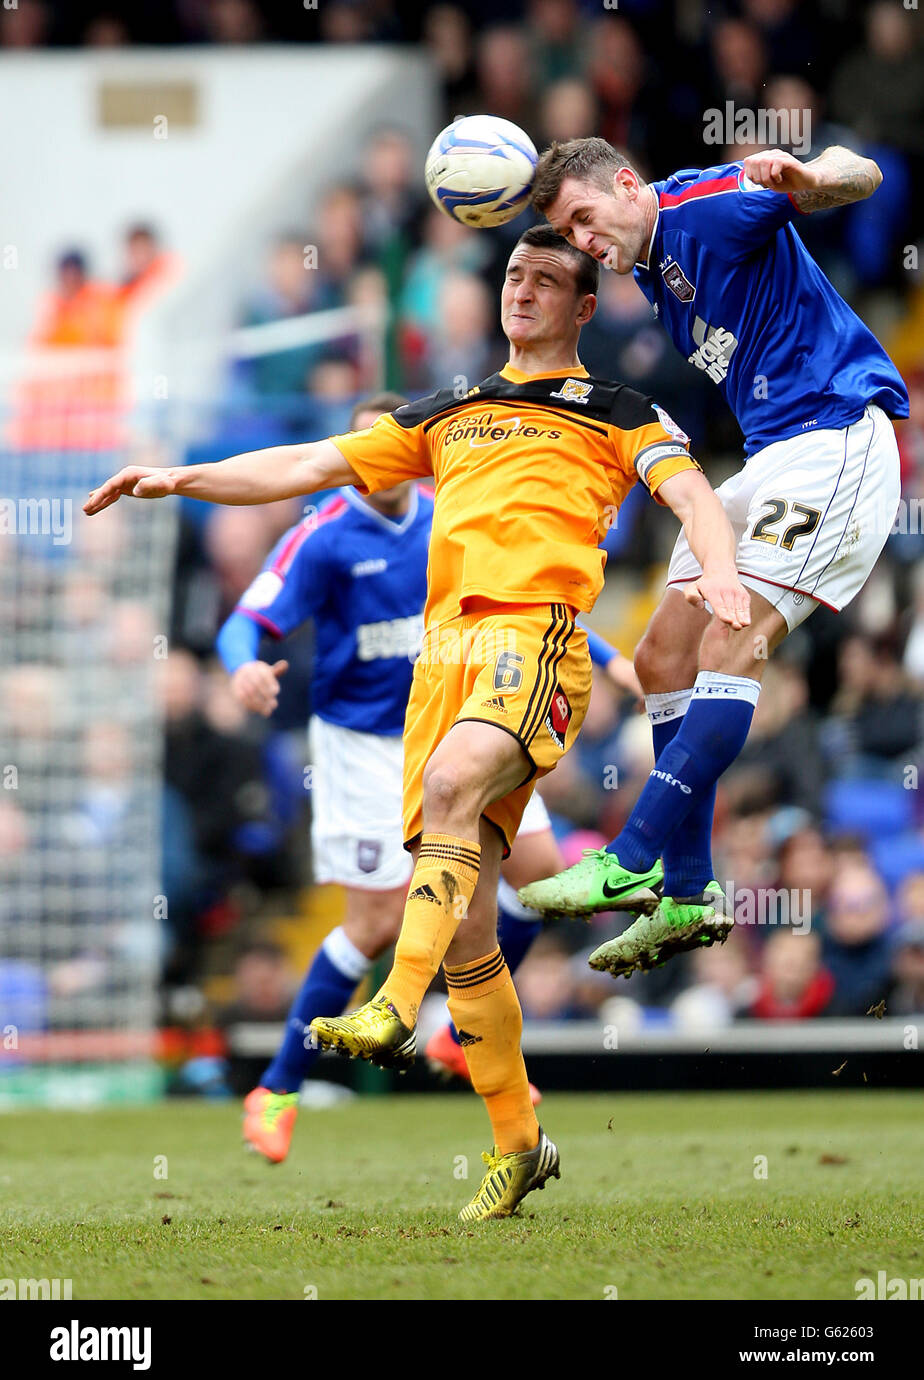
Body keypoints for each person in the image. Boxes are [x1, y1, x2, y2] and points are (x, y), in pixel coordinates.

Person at [84, 226, 748, 1219]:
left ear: (583, 307)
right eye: (513, 275)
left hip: (532, 641)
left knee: (448, 797)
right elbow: (309, 462)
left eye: (547, 279)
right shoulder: (450, 408)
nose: (522, 289)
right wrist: (182, 478)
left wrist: (723, 565)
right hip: (442, 668)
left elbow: (689, 489)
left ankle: (398, 1000)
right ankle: (520, 1143)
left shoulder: (618, 409)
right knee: (473, 933)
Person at [521, 137, 909, 980]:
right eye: (566, 232)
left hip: (838, 438)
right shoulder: (653, 260)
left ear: (627, 185)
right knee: (661, 658)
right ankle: (691, 895)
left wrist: (810, 178)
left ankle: (633, 851)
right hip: (773, 457)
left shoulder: (710, 208)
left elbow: (859, 174)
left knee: (729, 641)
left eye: (585, 218)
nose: (584, 242)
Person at [221, 392, 643, 1162]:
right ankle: (277, 1088)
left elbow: (539, 602)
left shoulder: (458, 515)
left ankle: (457, 1029)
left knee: (540, 874)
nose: (369, 468)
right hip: (366, 747)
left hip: (465, 724)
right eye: (357, 454)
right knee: (376, 925)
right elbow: (244, 620)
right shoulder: (324, 537)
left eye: (382, 450)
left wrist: (616, 662)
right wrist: (244, 664)